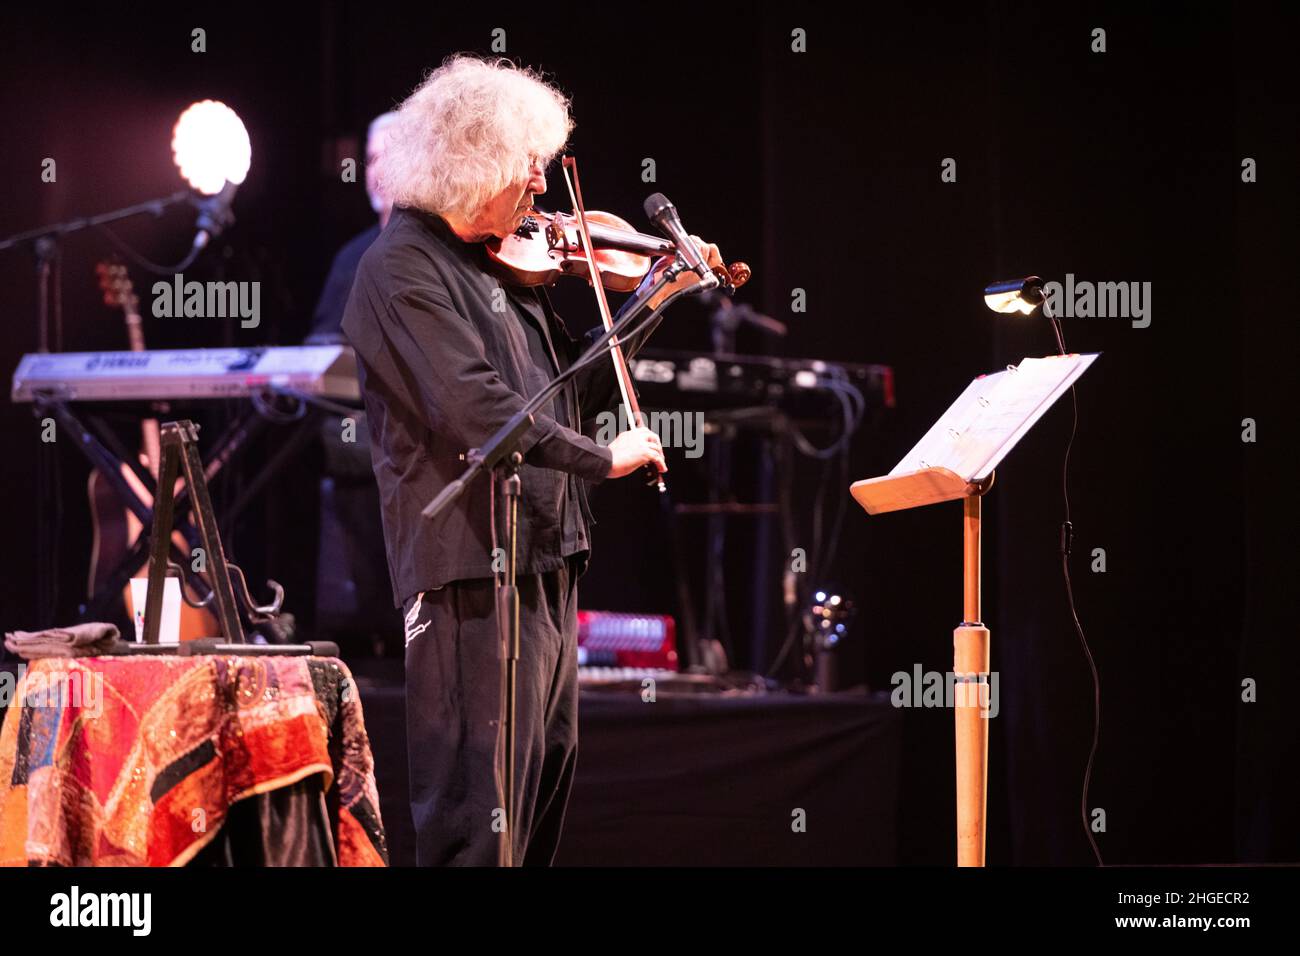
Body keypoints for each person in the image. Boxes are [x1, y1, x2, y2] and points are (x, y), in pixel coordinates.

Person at [341, 54, 723, 866]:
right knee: (477, 827)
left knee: (539, 802)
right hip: (470, 574)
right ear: (470, 163)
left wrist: (655, 295)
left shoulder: (502, 267)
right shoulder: (401, 269)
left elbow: (566, 392)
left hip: (545, 556)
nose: (542, 192)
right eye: (528, 169)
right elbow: (480, 411)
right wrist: (604, 461)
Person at [307, 111, 398, 343]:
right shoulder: (350, 258)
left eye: (389, 157)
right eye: (372, 159)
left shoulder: (440, 250)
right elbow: (324, 343)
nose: (378, 173)